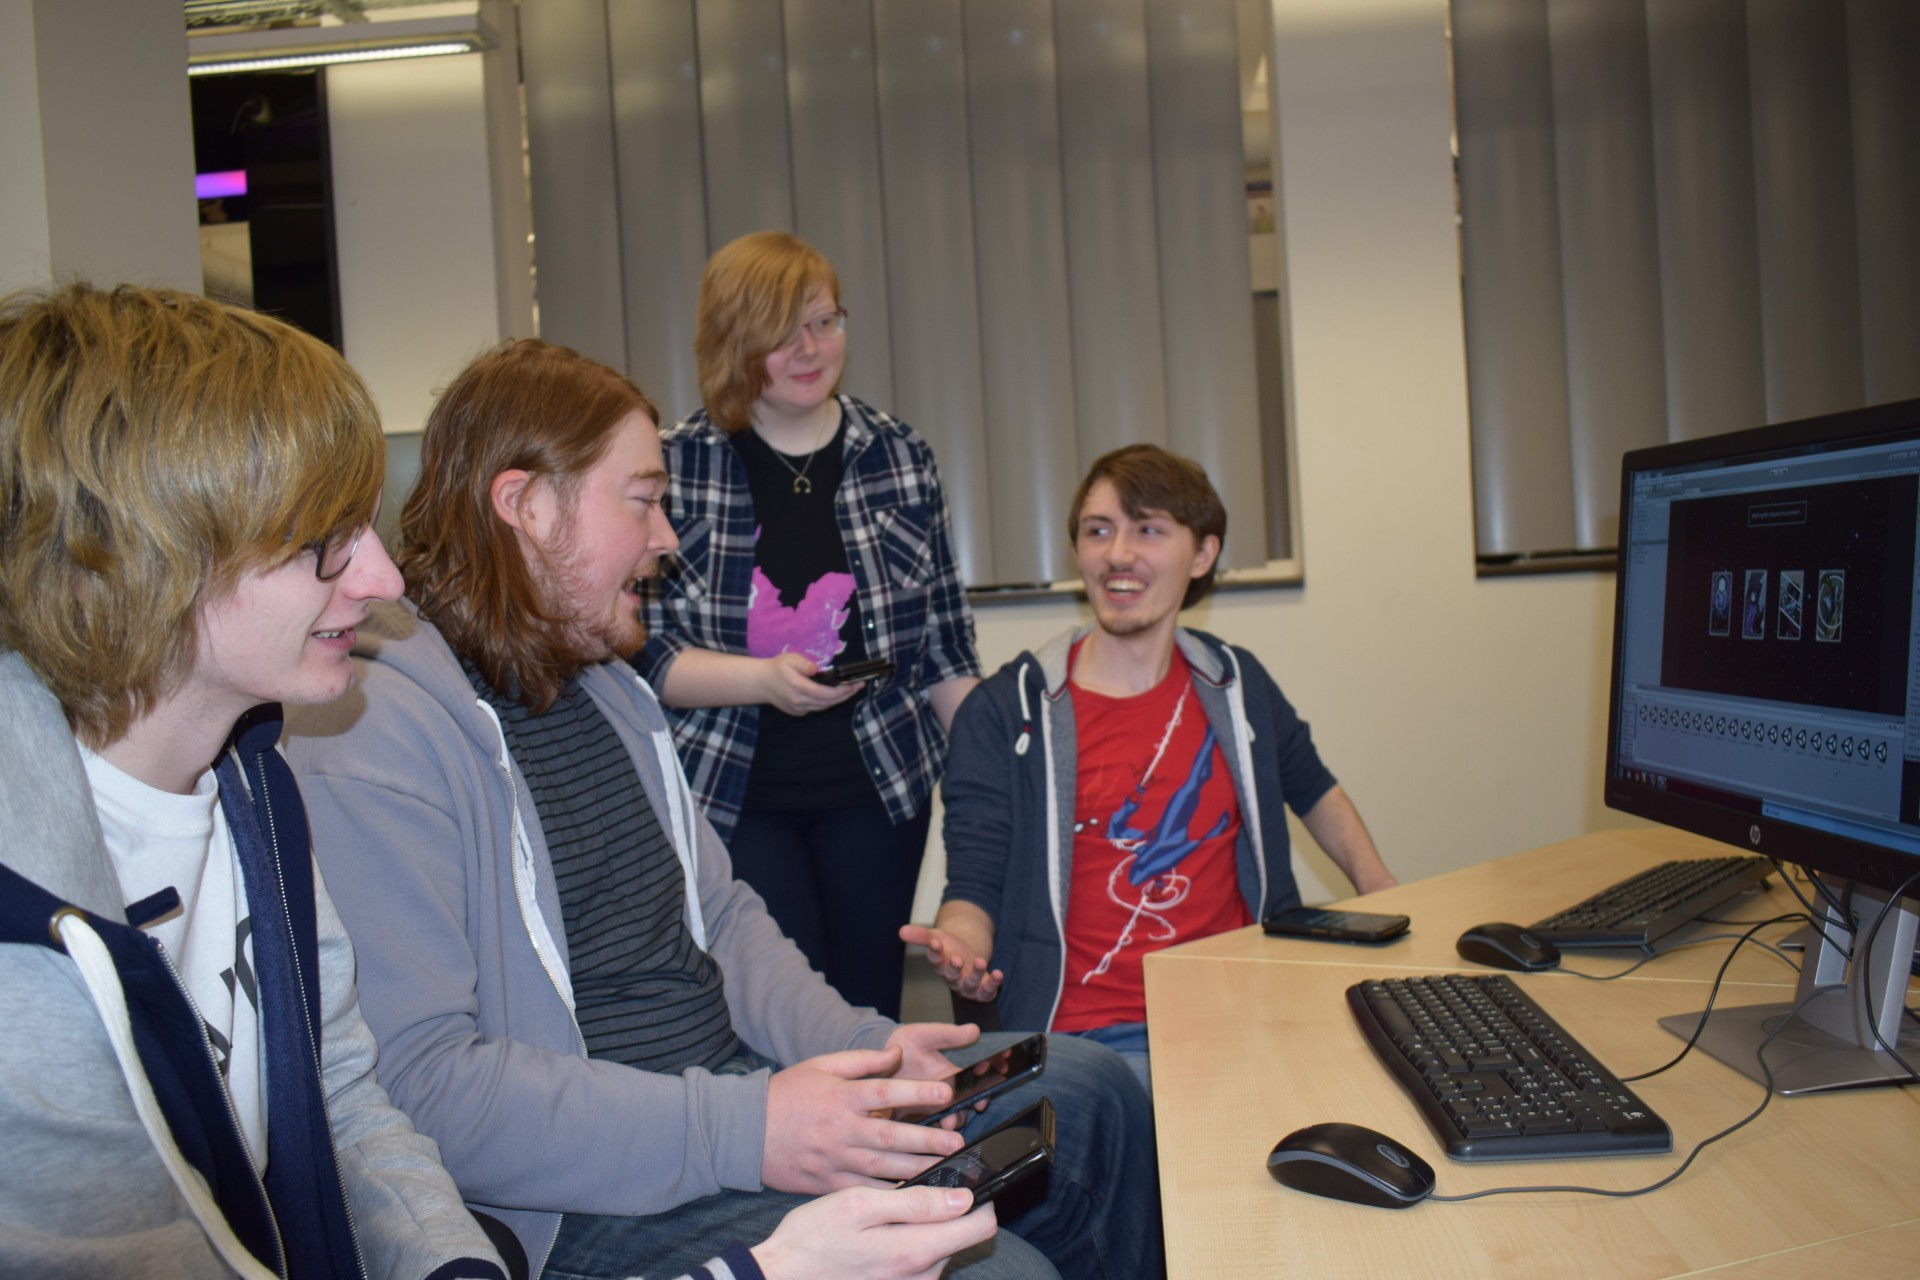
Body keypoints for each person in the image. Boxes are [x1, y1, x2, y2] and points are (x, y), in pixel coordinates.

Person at [281, 339, 1163, 1280]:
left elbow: (723, 922)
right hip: (587, 1188)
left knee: (1092, 1097)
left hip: (730, 1103)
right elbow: (429, 1091)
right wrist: (754, 1129)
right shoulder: (376, 730)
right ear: (526, 506)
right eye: (643, 499)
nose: (669, 537)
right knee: (998, 1271)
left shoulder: (611, 693)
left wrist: (866, 1050)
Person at [0, 282, 506, 1278]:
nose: (383, 579)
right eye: (325, 539)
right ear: (141, 555)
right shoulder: (24, 925)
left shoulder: (253, 788)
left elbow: (343, 1096)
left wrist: (453, 1263)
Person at [903, 445, 1398, 1090]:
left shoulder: (1237, 683)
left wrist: (1384, 890)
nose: (1117, 555)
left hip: (1247, 1013)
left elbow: (1314, 789)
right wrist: (962, 948)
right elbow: (973, 882)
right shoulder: (1005, 711)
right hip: (1087, 1040)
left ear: (1202, 554)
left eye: (1149, 530)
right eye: (1098, 531)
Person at [637, 231, 980, 1018]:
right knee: (780, 1017)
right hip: (733, 791)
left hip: (880, 788)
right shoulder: (675, 466)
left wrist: (998, 774)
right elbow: (642, 652)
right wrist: (760, 682)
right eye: (783, 331)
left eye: (825, 322)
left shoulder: (898, 455)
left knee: (869, 1008)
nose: (811, 348)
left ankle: (882, 1144)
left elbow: (945, 646)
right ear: (734, 341)